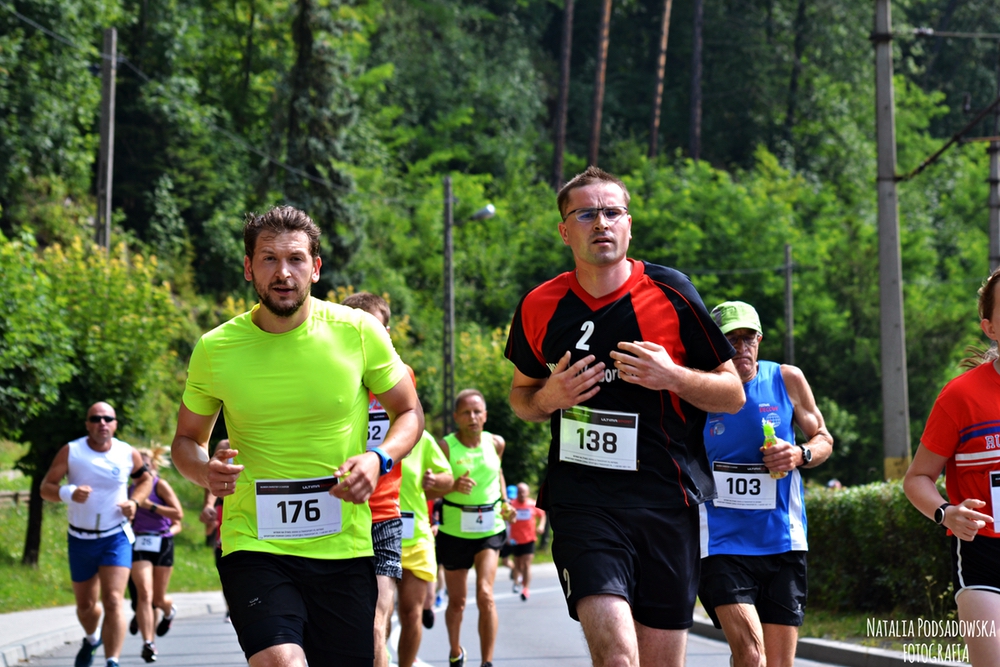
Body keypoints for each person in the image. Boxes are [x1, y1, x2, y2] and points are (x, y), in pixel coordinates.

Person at [504, 166, 745, 667]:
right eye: (585, 214)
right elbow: (521, 398)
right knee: (617, 656)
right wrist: (549, 397)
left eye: (612, 212)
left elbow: (732, 394)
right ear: (564, 231)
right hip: (583, 502)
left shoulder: (672, 292)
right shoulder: (539, 305)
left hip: (665, 501)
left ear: (629, 225)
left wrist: (673, 376)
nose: (601, 223)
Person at [170, 205, 424, 667]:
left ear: (316, 267)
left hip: (343, 547)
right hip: (255, 542)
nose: (283, 273)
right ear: (249, 268)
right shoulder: (215, 348)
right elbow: (186, 441)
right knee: (282, 660)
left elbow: (409, 412)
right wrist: (205, 472)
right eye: (268, 259)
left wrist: (378, 458)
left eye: (296, 259)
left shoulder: (358, 332)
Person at [698, 301, 834, 667]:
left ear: (759, 340)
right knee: (751, 654)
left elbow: (823, 438)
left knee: (777, 663)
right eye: (730, 339)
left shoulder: (786, 379)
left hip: (782, 540)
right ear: (714, 344)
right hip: (721, 542)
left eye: (748, 338)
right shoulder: (698, 388)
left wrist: (799, 454)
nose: (740, 348)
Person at [904, 267, 1000, 667]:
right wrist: (946, 512)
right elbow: (917, 478)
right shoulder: (960, 397)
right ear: (990, 328)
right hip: (985, 555)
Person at [39, 402, 152, 667]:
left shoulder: (127, 452)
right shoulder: (72, 451)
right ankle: (92, 639)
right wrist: (69, 492)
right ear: (87, 424)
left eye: (108, 418)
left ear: (115, 424)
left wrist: (134, 502)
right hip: (81, 538)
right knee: (86, 607)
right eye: (96, 418)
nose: (102, 423)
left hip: (116, 536)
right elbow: (46, 488)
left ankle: (112, 661)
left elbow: (145, 480)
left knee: (113, 600)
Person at [342, 291, 409, 667]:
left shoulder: (401, 377)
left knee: (375, 624)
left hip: (383, 514)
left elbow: (409, 434)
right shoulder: (328, 377)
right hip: (335, 515)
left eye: (380, 329)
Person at [436, 389, 514, 667]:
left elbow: (498, 472)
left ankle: (487, 663)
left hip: (489, 529)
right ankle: (455, 651)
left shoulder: (496, 443)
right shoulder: (445, 447)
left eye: (477, 412)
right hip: (454, 532)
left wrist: (505, 502)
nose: (472, 417)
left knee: (485, 595)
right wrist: (453, 486)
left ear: (485, 415)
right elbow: (431, 486)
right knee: (457, 602)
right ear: (456, 417)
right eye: (466, 412)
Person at [397, 430, 454, 667]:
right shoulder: (363, 426)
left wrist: (435, 481)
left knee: (412, 614)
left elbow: (448, 479)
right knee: (378, 616)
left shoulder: (420, 436)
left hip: (416, 536)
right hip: (373, 535)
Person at [126, 446, 183, 663]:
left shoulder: (160, 485)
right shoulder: (129, 490)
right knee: (144, 594)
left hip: (162, 541)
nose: (142, 469)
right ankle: (148, 643)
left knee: (158, 599)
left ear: (154, 466)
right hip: (139, 541)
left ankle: (169, 611)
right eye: (137, 466)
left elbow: (178, 513)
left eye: (146, 465)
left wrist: (150, 506)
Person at [508, 482, 546, 601]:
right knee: (518, 564)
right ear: (516, 493)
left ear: (528, 493)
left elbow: (542, 515)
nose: (522, 494)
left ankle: (526, 589)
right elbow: (505, 517)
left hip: (529, 538)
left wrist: (541, 526)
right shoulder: (511, 504)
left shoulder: (532, 504)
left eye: (524, 492)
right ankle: (517, 580)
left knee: (527, 564)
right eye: (519, 492)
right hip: (515, 539)